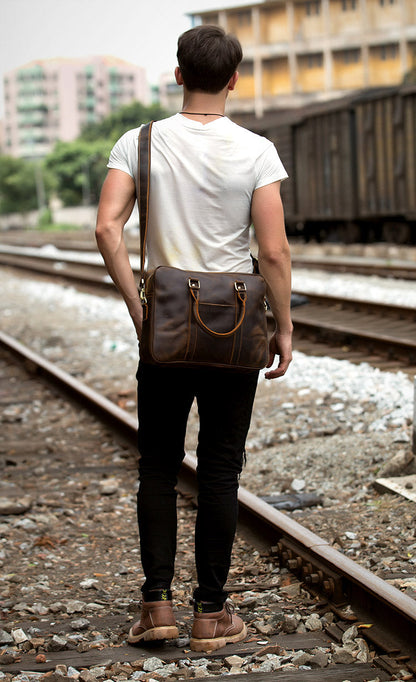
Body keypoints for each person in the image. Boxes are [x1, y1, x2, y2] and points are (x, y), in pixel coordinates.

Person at [95, 24, 293, 653]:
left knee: (156, 466)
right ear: (234, 79)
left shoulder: (139, 142)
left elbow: (106, 228)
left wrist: (138, 304)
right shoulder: (258, 151)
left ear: (178, 74)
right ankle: (211, 613)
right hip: (235, 330)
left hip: (168, 325)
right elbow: (274, 251)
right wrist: (283, 326)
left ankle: (157, 608)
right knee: (219, 471)